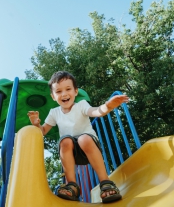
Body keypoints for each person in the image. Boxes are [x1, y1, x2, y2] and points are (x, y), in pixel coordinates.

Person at [27, 71, 129, 203]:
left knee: (83, 139)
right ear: (53, 96)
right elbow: (43, 131)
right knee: (65, 141)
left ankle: (105, 182)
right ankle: (72, 186)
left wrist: (107, 106)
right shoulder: (54, 113)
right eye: (58, 91)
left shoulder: (81, 105)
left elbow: (95, 111)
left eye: (68, 89)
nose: (64, 94)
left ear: (75, 91)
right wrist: (37, 124)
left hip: (89, 147)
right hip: (72, 153)